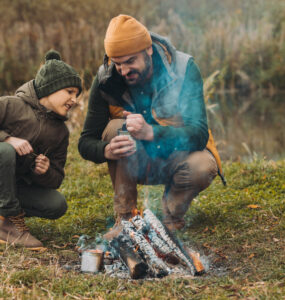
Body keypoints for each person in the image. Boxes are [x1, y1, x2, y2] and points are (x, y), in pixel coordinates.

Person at [78, 15, 225, 240]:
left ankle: (170, 217)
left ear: (148, 50)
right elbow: (85, 142)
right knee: (117, 126)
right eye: (117, 64)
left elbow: (199, 134)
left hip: (176, 158)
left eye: (130, 61)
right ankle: (126, 219)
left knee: (203, 165)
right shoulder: (106, 79)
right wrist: (106, 150)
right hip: (134, 162)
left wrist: (151, 132)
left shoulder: (184, 69)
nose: (124, 71)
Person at [0, 50, 82, 250]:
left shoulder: (60, 132)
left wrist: (43, 172)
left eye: (77, 94)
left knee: (56, 204)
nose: (75, 99)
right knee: (5, 151)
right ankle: (7, 223)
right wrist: (8, 139)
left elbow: (56, 179)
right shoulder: (11, 105)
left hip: (12, 188)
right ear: (51, 88)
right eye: (69, 91)